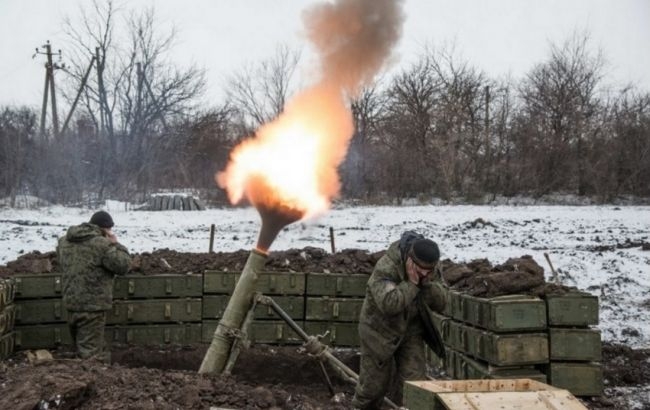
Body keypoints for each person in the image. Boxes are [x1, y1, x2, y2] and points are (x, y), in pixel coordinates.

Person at [352, 231, 447, 409]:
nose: (425, 275)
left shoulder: (430, 267)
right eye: (421, 271)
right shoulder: (386, 267)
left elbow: (442, 302)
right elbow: (389, 304)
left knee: (415, 386)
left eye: (429, 272)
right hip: (378, 331)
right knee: (373, 388)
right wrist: (411, 284)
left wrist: (426, 285)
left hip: (411, 330)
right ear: (410, 260)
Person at [56, 210, 131, 360]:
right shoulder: (102, 244)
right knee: (91, 356)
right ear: (104, 229)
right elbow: (123, 265)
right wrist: (116, 244)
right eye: (109, 229)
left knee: (80, 348)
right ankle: (89, 380)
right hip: (92, 308)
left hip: (71, 304)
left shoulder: (64, 241)